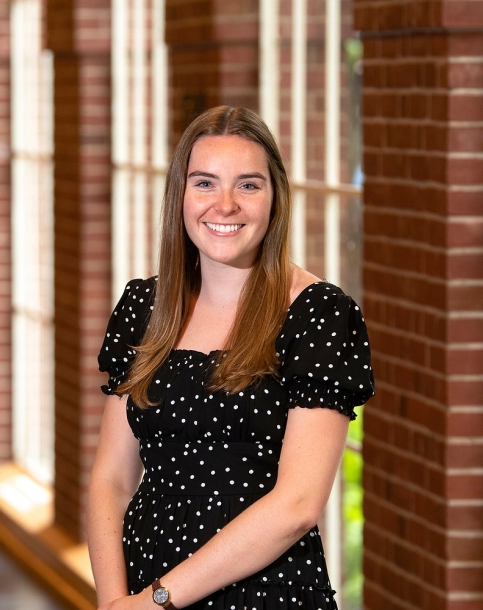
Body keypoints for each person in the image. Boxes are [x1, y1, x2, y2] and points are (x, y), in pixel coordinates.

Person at [88, 105, 376, 610]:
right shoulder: (145, 307)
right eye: (204, 183)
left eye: (247, 185)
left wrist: (158, 600)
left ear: (274, 198)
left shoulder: (319, 315)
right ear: (180, 195)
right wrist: (115, 602)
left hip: (263, 595)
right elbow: (110, 480)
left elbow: (298, 506)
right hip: (139, 588)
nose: (224, 205)